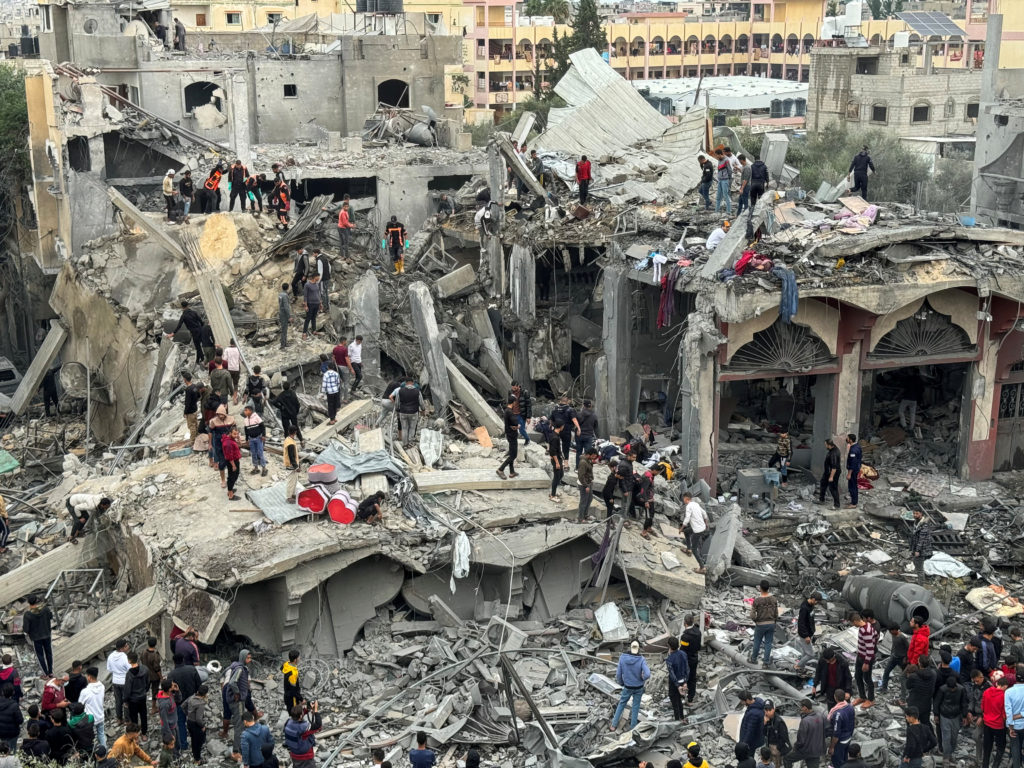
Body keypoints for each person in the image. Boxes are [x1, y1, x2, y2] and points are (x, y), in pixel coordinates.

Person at [222, 650, 257, 761]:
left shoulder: (238, 667)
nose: (249, 660)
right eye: (248, 658)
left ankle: (240, 747)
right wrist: (237, 693)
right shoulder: (240, 669)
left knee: (240, 724)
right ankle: (236, 752)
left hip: (236, 700)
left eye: (250, 658)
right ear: (242, 658)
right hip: (237, 702)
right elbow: (232, 682)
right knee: (239, 726)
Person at [610, 641, 650, 732]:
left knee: (621, 704)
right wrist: (642, 678)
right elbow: (647, 674)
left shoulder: (622, 658)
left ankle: (613, 725)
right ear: (638, 648)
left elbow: (618, 674)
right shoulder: (641, 659)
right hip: (638, 687)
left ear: (630, 647)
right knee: (635, 707)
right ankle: (633, 728)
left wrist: (621, 683)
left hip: (627, 686)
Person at [167, 654, 200, 753]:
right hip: (192, 700)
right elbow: (199, 684)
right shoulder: (192, 669)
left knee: (181, 723)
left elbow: (169, 690)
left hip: (179, 703)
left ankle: (184, 744)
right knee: (194, 720)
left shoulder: (171, 674)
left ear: (174, 662)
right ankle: (197, 742)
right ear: (183, 659)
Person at [934, 673, 968, 764]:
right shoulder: (942, 689)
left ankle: (951, 753)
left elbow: (964, 703)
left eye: (953, 688)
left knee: (954, 736)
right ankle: (946, 757)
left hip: (956, 716)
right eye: (950, 688)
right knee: (946, 737)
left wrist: (964, 716)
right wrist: (936, 714)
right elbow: (937, 702)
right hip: (944, 715)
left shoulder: (961, 689)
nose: (952, 690)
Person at [852, 610, 879, 709]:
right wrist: (873, 641)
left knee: (867, 679)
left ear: (855, 621)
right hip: (860, 655)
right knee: (858, 676)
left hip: (866, 659)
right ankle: (862, 697)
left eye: (852, 623)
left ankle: (871, 699)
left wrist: (866, 663)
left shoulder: (866, 630)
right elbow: (876, 635)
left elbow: (870, 649)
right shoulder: (867, 625)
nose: (853, 624)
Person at [283, 702, 321, 768]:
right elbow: (318, 725)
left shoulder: (288, 723)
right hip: (305, 756)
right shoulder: (303, 728)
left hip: (294, 753)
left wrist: (308, 708)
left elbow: (298, 715)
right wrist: (316, 710)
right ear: (301, 716)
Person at [982, 674, 1008, 768]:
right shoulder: (1004, 696)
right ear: (1005, 686)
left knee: (987, 748)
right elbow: (1004, 714)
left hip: (987, 724)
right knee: (1001, 747)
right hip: (998, 725)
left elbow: (983, 707)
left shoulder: (986, 692)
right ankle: (995, 765)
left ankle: (985, 765)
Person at [24, 594, 54, 676]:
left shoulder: (27, 615)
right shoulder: (45, 609)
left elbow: (26, 629)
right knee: (49, 653)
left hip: (36, 638)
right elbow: (51, 617)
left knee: (40, 655)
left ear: (28, 603)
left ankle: (46, 674)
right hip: (47, 634)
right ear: (37, 600)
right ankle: (50, 671)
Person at [390, 376, 424, 448]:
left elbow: (397, 402)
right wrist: (423, 410)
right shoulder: (417, 391)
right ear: (412, 383)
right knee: (412, 428)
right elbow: (421, 402)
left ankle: (405, 444)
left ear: (406, 383)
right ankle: (410, 443)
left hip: (403, 412)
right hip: (414, 412)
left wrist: (397, 410)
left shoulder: (400, 391)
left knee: (404, 428)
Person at [750, 580, 778, 666]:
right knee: (768, 643)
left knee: (757, 642)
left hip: (760, 624)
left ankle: (753, 659)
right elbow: (776, 613)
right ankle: (766, 662)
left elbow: (752, 615)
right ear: (768, 588)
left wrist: (756, 621)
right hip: (771, 624)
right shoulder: (774, 599)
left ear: (760, 588)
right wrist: (774, 621)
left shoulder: (757, 600)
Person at [680, 493, 709, 574]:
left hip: (697, 530)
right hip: (701, 527)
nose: (683, 500)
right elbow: (704, 513)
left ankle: (702, 568)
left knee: (695, 550)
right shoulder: (695, 504)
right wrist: (706, 523)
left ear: (686, 499)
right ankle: (688, 549)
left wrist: (681, 528)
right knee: (686, 532)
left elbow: (687, 518)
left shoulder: (688, 506)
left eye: (683, 499)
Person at [906, 657, 937, 731]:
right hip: (926, 703)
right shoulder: (933, 674)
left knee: (911, 723)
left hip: (914, 703)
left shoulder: (913, 676)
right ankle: (931, 739)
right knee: (926, 722)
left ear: (919, 664)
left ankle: (913, 738)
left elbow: (908, 686)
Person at [826, 690, 854, 768]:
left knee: (837, 762)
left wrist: (831, 747)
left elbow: (836, 733)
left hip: (840, 741)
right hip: (848, 738)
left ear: (835, 698)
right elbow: (852, 724)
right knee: (845, 759)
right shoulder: (850, 707)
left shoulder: (837, 714)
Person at [125, 652, 150, 736]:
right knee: (143, 715)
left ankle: (136, 734)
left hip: (133, 699)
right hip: (142, 697)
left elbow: (127, 689)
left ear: (129, 661)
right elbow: (148, 682)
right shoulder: (145, 669)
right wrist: (144, 691)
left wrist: (126, 700)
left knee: (134, 717)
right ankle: (144, 733)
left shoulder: (129, 674)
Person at [182, 684, 208, 765]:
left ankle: (196, 755)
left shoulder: (191, 697)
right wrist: (203, 726)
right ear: (205, 694)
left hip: (189, 722)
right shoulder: (200, 703)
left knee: (194, 740)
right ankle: (197, 760)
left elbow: (183, 706)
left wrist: (188, 714)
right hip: (196, 725)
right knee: (197, 742)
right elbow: (199, 719)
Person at [879, 627, 909, 695]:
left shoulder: (902, 637)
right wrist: (892, 653)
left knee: (904, 676)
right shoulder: (893, 635)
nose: (890, 632)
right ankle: (884, 688)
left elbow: (908, 648)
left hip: (902, 659)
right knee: (886, 671)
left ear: (896, 630)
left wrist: (906, 658)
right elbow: (894, 645)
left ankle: (905, 691)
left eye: (891, 630)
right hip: (894, 657)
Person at [497, 397, 520, 480]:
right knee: (513, 455)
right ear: (513, 402)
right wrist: (518, 426)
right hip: (512, 435)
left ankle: (512, 472)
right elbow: (515, 424)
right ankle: (500, 469)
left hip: (509, 434)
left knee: (511, 453)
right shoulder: (510, 412)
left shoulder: (507, 410)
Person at [108, 640, 131, 726]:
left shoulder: (111, 656)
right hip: (124, 681)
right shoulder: (124, 657)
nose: (128, 646)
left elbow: (109, 669)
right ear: (121, 649)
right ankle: (127, 720)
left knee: (118, 701)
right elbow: (129, 669)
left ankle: (119, 719)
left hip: (115, 681)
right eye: (126, 645)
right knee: (126, 701)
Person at [666, 638, 689, 721]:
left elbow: (672, 674)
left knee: (674, 700)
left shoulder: (669, 659)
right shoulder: (683, 654)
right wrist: (685, 682)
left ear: (669, 646)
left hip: (675, 683)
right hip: (683, 680)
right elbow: (687, 668)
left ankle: (677, 719)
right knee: (679, 699)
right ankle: (682, 717)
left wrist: (677, 685)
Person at [680, 613, 701, 704]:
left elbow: (683, 649)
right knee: (692, 678)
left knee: (683, 678)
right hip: (695, 658)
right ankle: (690, 698)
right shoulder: (698, 631)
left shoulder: (685, 636)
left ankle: (682, 695)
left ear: (685, 623)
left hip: (686, 660)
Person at [1006, 667, 1024, 768]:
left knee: (1015, 749)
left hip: (1015, 726)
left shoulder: (1009, 692)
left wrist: (1011, 727)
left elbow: (1008, 711)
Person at [242, 406, 267, 477]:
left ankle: (264, 468)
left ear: (250, 411)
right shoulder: (245, 420)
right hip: (251, 439)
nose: (245, 412)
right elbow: (246, 431)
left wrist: (263, 436)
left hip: (258, 438)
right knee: (253, 453)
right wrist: (247, 439)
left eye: (246, 410)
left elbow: (263, 427)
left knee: (260, 453)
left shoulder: (256, 417)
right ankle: (256, 468)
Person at [765, 700, 791, 767]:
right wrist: (764, 724)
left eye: (769, 709)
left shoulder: (779, 722)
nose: (767, 712)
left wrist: (777, 748)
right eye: (765, 709)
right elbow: (764, 733)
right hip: (769, 746)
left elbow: (784, 737)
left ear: (773, 709)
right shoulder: (767, 719)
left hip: (776, 748)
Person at [795, 595, 818, 671]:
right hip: (805, 635)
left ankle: (801, 667)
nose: (817, 603)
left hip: (809, 633)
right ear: (813, 599)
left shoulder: (811, 605)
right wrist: (806, 636)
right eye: (816, 601)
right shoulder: (804, 608)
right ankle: (798, 666)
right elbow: (801, 623)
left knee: (805, 652)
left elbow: (810, 619)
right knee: (811, 654)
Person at [156, 680, 178, 757]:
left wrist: (178, 691)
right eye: (172, 685)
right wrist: (169, 734)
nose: (174, 685)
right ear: (169, 689)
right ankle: (172, 758)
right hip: (169, 727)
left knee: (176, 742)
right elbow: (164, 720)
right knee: (171, 744)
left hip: (174, 724)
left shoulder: (170, 694)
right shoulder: (164, 704)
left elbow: (179, 699)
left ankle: (176, 755)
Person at [909, 509, 934, 576]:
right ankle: (920, 581)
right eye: (914, 513)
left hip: (922, 549)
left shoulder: (924, 524)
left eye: (917, 513)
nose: (915, 515)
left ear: (921, 514)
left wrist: (917, 550)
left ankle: (920, 584)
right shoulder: (916, 523)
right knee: (916, 564)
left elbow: (922, 539)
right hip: (916, 548)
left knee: (919, 569)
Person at [818, 438, 841, 510]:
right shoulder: (832, 449)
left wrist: (831, 477)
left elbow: (834, 467)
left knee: (833, 488)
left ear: (829, 445)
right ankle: (821, 500)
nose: (825, 446)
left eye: (826, 445)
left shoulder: (833, 453)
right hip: (828, 472)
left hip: (833, 473)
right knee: (823, 484)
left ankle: (837, 505)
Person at [576, 446, 597, 522]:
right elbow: (581, 476)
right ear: (589, 454)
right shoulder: (583, 462)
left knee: (589, 499)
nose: (594, 458)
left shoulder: (588, 460)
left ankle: (585, 515)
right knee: (584, 501)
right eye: (593, 456)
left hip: (589, 482)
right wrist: (586, 486)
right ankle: (580, 518)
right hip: (584, 484)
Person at [141, 638, 162, 715]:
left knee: (144, 690)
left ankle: (142, 706)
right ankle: (153, 707)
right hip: (154, 677)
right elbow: (157, 668)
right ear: (155, 644)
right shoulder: (155, 655)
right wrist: (161, 677)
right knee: (154, 691)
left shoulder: (143, 652)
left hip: (145, 675)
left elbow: (141, 661)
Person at [575, 399, 598, 468]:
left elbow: (575, 424)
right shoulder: (594, 415)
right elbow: (595, 426)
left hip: (579, 436)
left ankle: (577, 467)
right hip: (588, 436)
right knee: (588, 453)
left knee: (578, 452)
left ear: (583, 405)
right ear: (590, 406)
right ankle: (586, 467)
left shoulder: (579, 414)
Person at [181, 373, 202, 444]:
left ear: (185, 380)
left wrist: (185, 412)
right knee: (195, 423)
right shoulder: (195, 386)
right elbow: (199, 395)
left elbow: (187, 402)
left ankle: (193, 440)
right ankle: (197, 436)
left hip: (190, 411)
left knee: (191, 425)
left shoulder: (188, 389)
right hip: (195, 408)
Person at [222, 427, 242, 501]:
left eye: (237, 434)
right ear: (230, 433)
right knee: (232, 477)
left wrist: (238, 438)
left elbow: (240, 445)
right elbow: (229, 456)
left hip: (235, 460)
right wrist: (233, 465)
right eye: (234, 434)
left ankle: (230, 490)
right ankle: (230, 495)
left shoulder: (232, 440)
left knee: (235, 475)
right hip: (232, 461)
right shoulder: (228, 443)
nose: (236, 435)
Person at [0, 684, 21, 753]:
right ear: (13, 693)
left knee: (2, 750)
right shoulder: (14, 705)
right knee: (12, 751)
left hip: (1, 733)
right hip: (12, 734)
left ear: (2, 692)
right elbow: (20, 720)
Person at [282, 427, 300, 504]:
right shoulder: (291, 444)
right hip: (291, 465)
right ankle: (289, 497)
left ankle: (292, 494)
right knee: (291, 481)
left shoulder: (288, 439)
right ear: (295, 432)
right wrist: (296, 466)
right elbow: (291, 456)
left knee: (294, 480)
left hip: (291, 463)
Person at [547, 422, 564, 502]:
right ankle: (552, 495)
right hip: (556, 459)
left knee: (561, 474)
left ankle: (553, 492)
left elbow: (550, 447)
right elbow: (553, 451)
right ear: (561, 427)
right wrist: (557, 462)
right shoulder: (555, 437)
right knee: (557, 477)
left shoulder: (554, 434)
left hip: (558, 458)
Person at [845, 433, 862, 509]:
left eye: (847, 438)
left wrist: (849, 474)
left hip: (853, 470)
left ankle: (854, 503)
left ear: (850, 440)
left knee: (852, 486)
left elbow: (852, 463)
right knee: (853, 485)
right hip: (856, 469)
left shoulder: (853, 450)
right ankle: (853, 501)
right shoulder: (857, 446)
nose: (846, 439)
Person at [302, 275, 321, 340]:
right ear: (314, 277)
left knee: (314, 318)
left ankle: (314, 330)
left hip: (316, 303)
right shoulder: (307, 285)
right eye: (318, 276)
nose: (319, 278)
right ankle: (304, 333)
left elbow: (318, 294)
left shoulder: (317, 284)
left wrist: (320, 303)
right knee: (308, 318)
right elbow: (305, 296)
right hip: (310, 304)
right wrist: (306, 305)